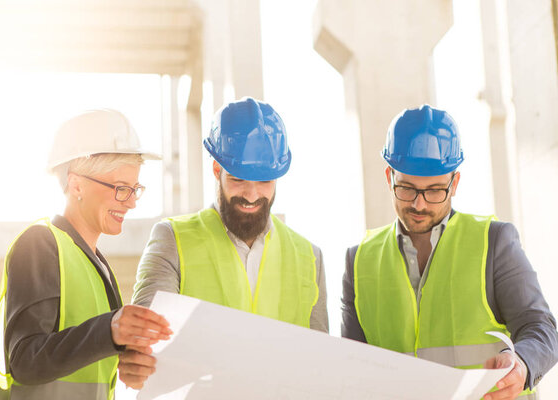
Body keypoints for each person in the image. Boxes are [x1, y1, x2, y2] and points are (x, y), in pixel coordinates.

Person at [341, 104, 558, 399]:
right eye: (406, 188)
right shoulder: (359, 260)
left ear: (454, 183)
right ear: (389, 177)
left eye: (434, 190)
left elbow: (541, 328)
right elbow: (352, 369)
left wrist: (522, 364)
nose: (419, 205)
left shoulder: (494, 243)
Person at [0, 109, 172, 400]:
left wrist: (127, 362)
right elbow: (25, 359)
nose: (131, 203)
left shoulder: (96, 264)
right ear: (76, 185)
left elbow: (86, 356)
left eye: (135, 189)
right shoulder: (40, 244)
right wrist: (109, 331)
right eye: (120, 189)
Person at [133, 96, 328, 328]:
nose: (252, 195)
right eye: (238, 179)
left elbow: (319, 356)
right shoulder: (173, 239)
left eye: (264, 181)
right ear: (217, 169)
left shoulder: (309, 257)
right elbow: (145, 339)